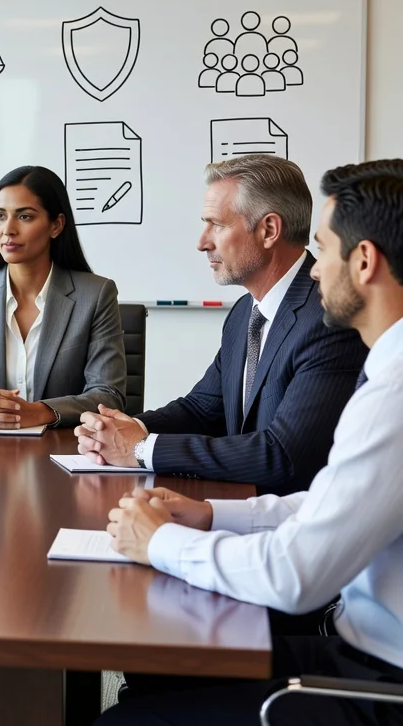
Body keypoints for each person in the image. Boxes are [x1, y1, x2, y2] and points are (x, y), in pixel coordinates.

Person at [89, 158, 403, 726]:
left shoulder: (394, 390)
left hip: (386, 701)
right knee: (156, 685)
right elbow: (326, 504)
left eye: (320, 247)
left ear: (365, 260)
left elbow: (296, 577)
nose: (314, 268)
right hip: (361, 655)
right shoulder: (389, 367)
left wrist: (160, 543)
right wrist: (212, 518)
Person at [76, 154, 366, 496]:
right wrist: (125, 427)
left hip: (291, 526)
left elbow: (283, 455)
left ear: (269, 230)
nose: (203, 242)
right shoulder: (245, 312)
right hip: (242, 506)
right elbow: (202, 409)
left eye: (217, 224)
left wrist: (141, 449)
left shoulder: (329, 317)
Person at [0, 164, 126, 429]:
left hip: (64, 452)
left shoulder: (96, 294)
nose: (8, 229)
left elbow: (108, 394)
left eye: (25, 217)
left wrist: (39, 412)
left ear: (56, 225)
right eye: (0, 216)